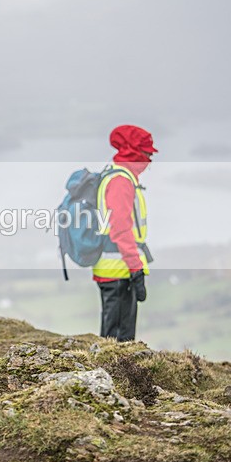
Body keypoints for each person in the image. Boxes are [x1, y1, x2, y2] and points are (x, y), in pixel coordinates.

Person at [93, 124, 157, 342]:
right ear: (136, 153)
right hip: (118, 270)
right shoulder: (121, 182)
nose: (150, 161)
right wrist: (135, 268)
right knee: (118, 340)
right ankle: (112, 376)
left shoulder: (117, 176)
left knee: (114, 337)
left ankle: (110, 375)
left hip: (115, 269)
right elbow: (121, 229)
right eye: (148, 154)